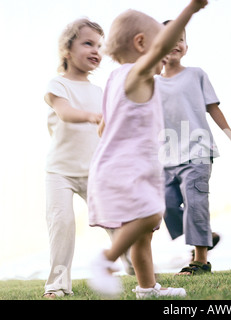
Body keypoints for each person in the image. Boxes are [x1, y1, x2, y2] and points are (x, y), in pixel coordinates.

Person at [87, 0, 208, 298]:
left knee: (143, 234)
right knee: (153, 213)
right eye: (160, 46)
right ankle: (106, 260)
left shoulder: (115, 79)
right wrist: (191, 9)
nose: (165, 54)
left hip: (118, 165)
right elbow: (158, 49)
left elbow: (104, 126)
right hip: (126, 167)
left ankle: (147, 288)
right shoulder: (134, 73)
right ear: (141, 44)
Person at [157, 21, 231, 275]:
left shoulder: (196, 74)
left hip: (198, 151)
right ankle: (205, 234)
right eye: (168, 40)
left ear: (186, 45)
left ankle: (201, 260)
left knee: (195, 203)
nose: (175, 44)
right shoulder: (152, 83)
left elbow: (213, 107)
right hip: (166, 155)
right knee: (165, 205)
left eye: (180, 39)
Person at [43, 19, 104, 299]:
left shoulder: (99, 91)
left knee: (114, 221)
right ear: (67, 49)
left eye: (100, 46)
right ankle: (56, 286)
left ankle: (135, 269)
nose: (96, 51)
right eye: (88, 43)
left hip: (94, 171)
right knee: (62, 223)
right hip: (60, 173)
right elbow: (66, 113)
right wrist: (92, 116)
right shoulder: (58, 84)